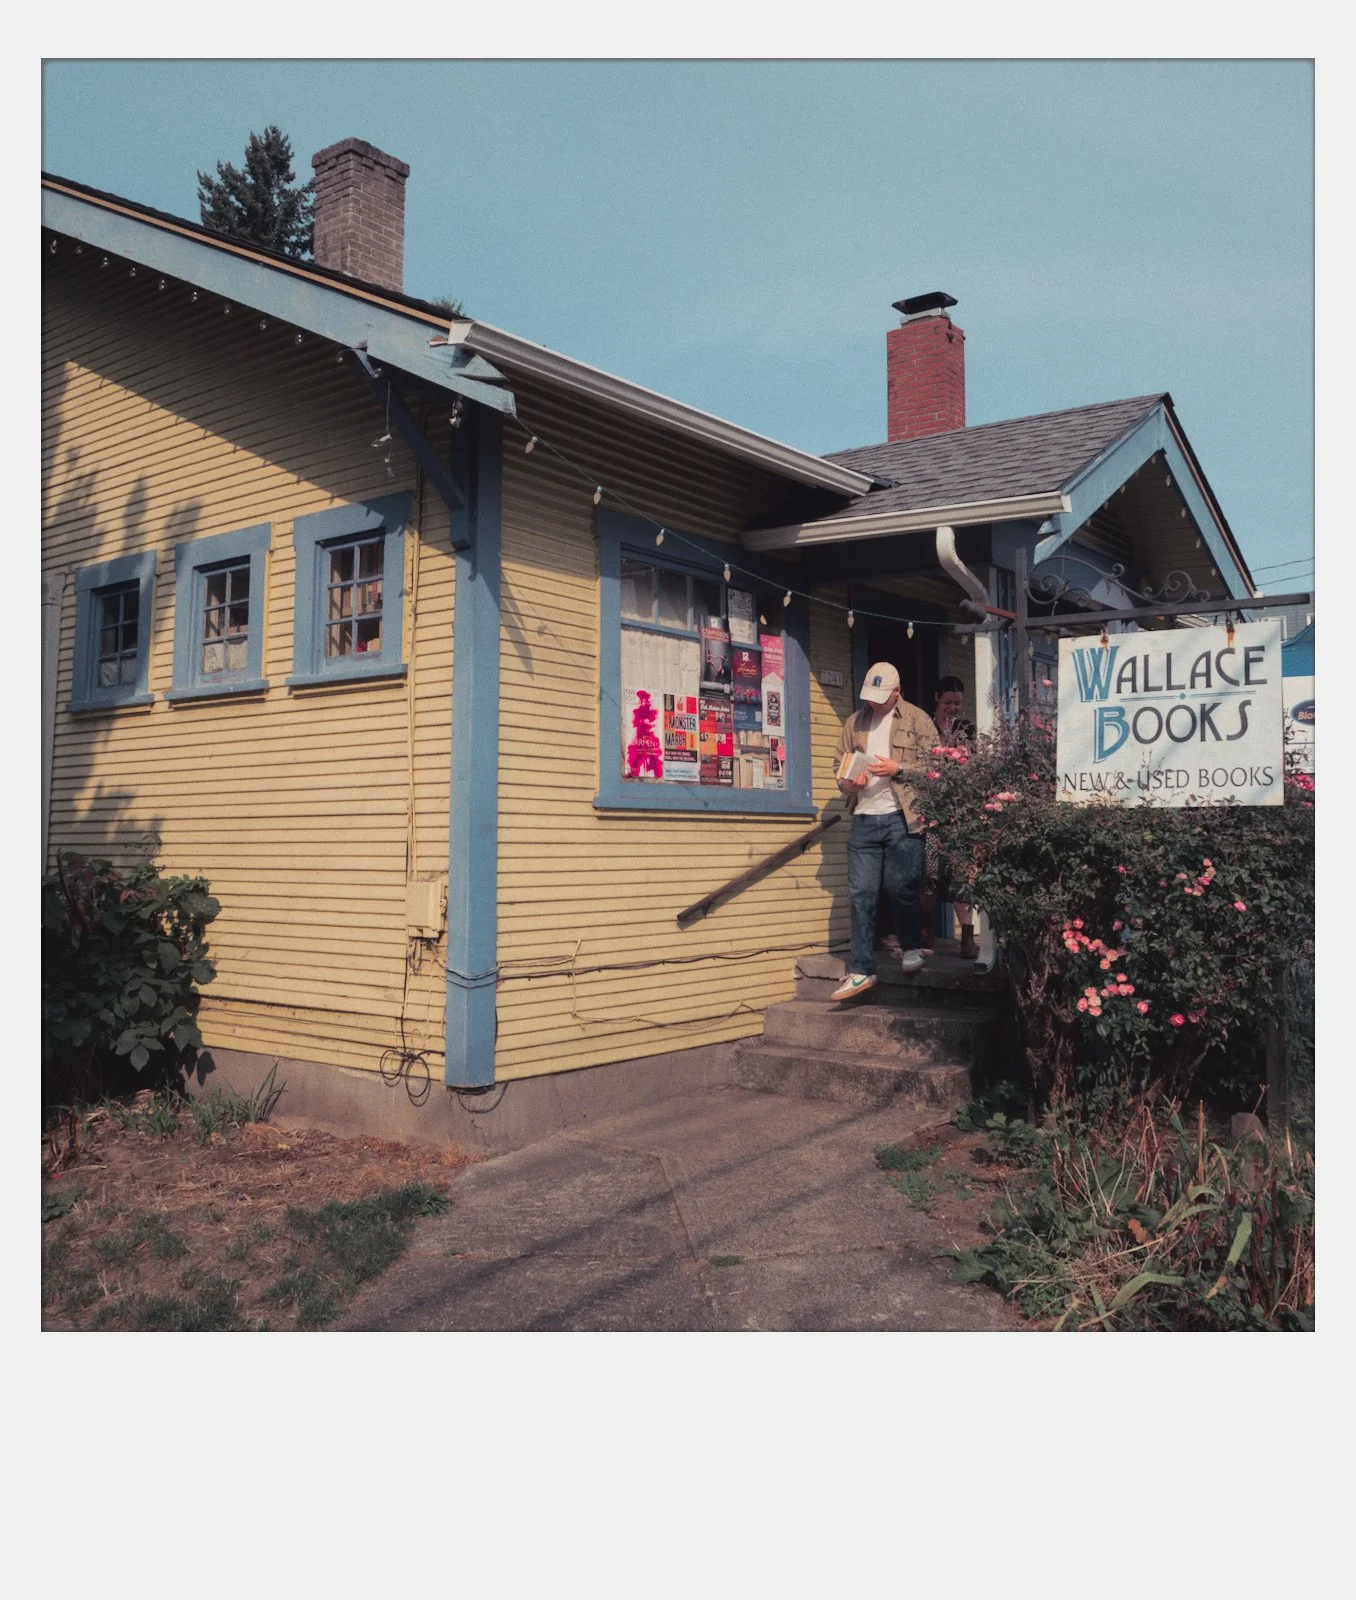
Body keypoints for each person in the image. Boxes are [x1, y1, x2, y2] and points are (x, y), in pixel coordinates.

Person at [830, 662, 940, 1002]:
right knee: (861, 894)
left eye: (882, 697)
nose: (874, 704)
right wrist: (849, 783)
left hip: (902, 816)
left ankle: (911, 947)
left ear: (897, 691)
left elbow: (939, 767)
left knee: (899, 887)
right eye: (871, 697)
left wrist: (900, 768)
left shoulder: (919, 720)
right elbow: (839, 767)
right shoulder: (854, 722)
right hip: (864, 817)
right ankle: (862, 969)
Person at [920, 675, 979, 960]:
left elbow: (974, 769)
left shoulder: (967, 729)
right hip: (930, 811)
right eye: (947, 702)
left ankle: (966, 935)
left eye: (957, 703)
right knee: (929, 873)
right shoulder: (925, 728)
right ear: (936, 699)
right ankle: (926, 930)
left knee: (959, 873)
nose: (953, 708)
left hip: (958, 812)